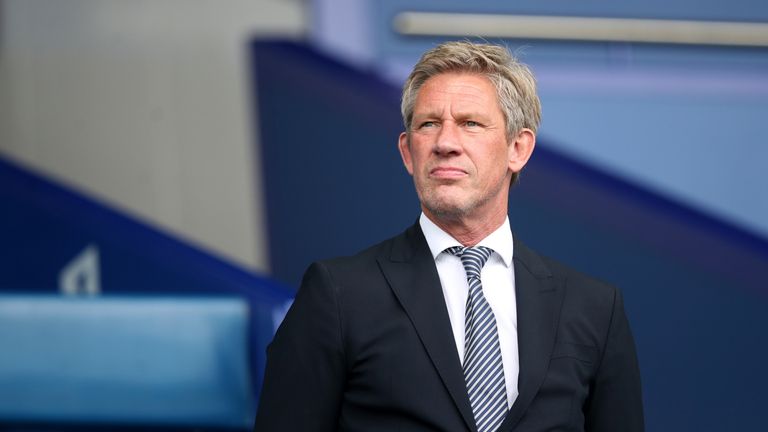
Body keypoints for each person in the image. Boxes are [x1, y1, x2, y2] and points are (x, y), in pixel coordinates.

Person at [254, 41, 644, 432]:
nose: (445, 143)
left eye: (470, 123)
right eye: (428, 124)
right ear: (408, 153)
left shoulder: (594, 308)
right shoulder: (337, 294)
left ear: (518, 148)